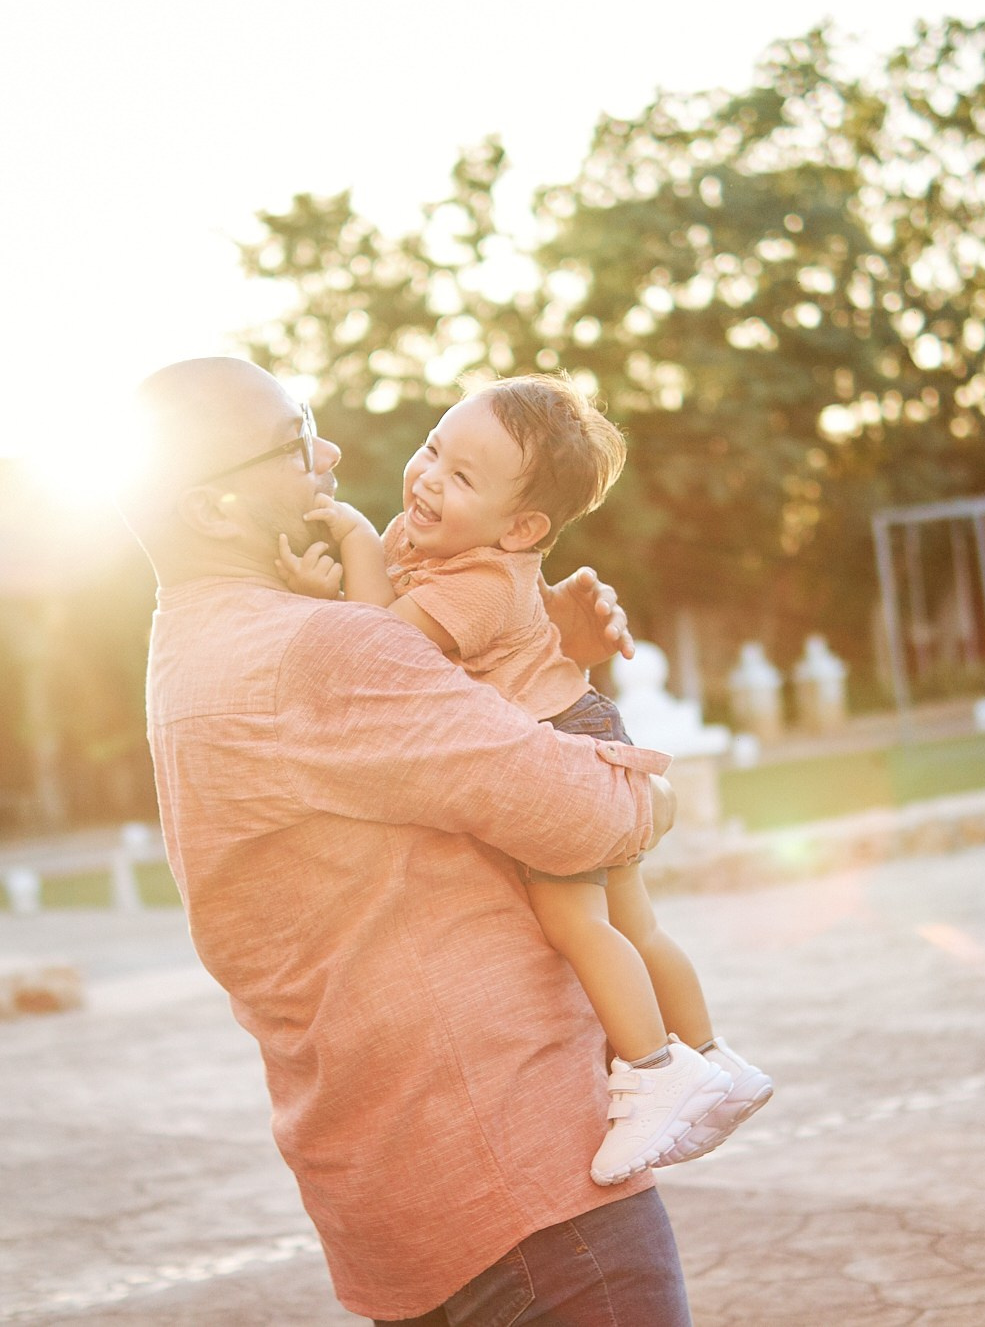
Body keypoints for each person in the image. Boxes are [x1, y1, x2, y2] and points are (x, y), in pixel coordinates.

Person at [121, 357, 694, 1325]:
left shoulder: (188, 656)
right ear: (215, 512)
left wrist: (540, 648)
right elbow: (589, 816)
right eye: (295, 439)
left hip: (390, 1196)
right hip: (521, 1188)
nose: (332, 454)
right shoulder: (321, 652)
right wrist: (654, 794)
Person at [274, 374, 772, 1185]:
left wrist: (358, 544)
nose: (430, 477)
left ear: (523, 529)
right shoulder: (441, 540)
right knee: (634, 923)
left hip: (560, 746)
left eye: (463, 478)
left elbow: (383, 649)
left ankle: (654, 1070)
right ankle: (714, 1058)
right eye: (435, 448)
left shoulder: (482, 582)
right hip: (586, 725)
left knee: (577, 926)